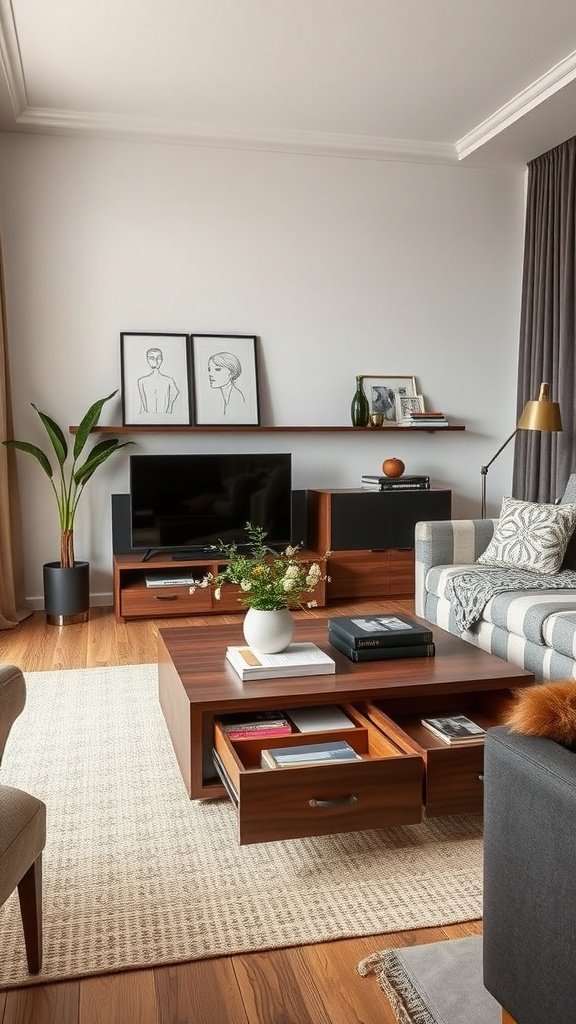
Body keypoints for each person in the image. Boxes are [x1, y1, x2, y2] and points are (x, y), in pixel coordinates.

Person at [137, 348, 180, 414]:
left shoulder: (169, 380)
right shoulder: (141, 381)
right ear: (147, 359)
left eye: (159, 358)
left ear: (162, 359)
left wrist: (169, 408)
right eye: (152, 358)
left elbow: (175, 392)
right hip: (147, 417)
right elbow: (142, 402)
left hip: (165, 417)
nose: (156, 361)